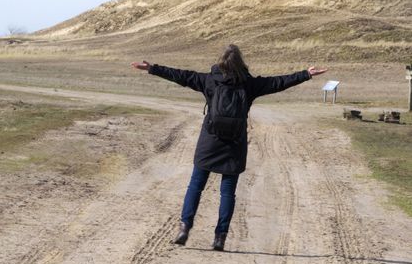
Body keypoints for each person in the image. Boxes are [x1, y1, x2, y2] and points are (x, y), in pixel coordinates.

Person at [131, 44, 328, 251]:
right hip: (235, 144)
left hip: (209, 141)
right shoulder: (249, 84)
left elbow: (181, 75)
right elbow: (279, 82)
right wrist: (306, 74)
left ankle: (184, 227)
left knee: (196, 185)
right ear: (241, 63)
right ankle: (220, 237)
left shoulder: (209, 80)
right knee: (227, 192)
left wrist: (152, 68)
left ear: (221, 62)